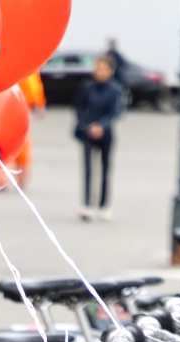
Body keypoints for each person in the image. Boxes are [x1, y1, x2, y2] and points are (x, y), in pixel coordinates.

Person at [74, 55, 120, 220]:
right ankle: (86, 204)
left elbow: (115, 112)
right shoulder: (87, 87)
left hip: (105, 133)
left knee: (105, 170)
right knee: (88, 169)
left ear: (110, 71)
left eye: (103, 69)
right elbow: (79, 108)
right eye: (97, 68)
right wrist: (87, 125)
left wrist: (101, 125)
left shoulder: (114, 89)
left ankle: (104, 206)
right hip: (88, 132)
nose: (99, 72)